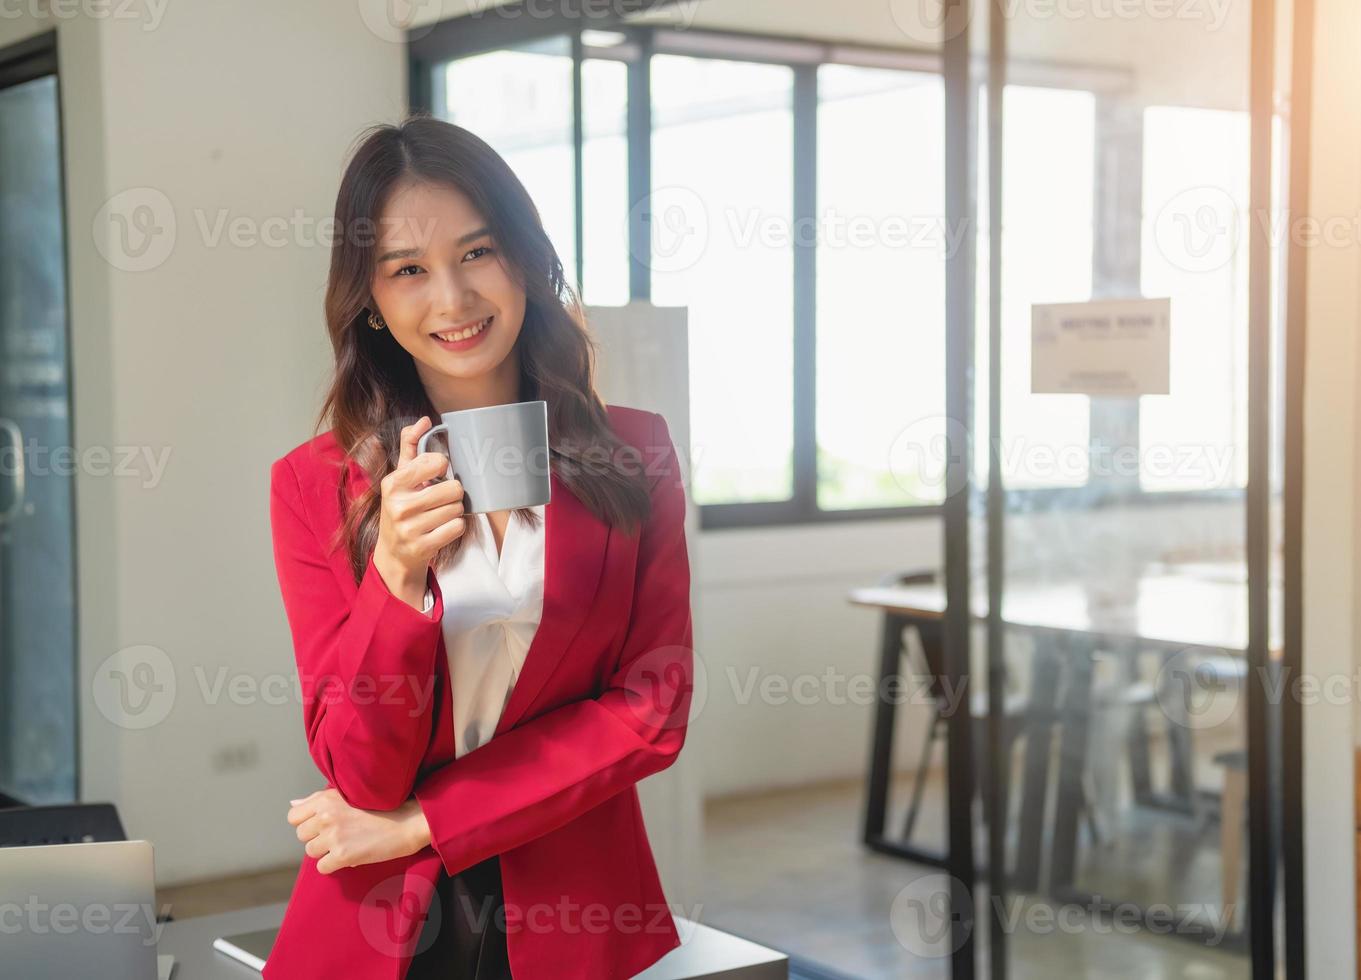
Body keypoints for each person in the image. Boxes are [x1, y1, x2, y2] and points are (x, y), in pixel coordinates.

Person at [264, 114, 694, 979]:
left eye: (476, 253)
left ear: (526, 262)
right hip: (381, 919)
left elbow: (652, 713)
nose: (453, 301)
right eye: (408, 270)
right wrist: (393, 577)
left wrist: (428, 819)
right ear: (371, 302)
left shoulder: (636, 453)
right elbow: (356, 770)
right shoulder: (314, 486)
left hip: (577, 907)